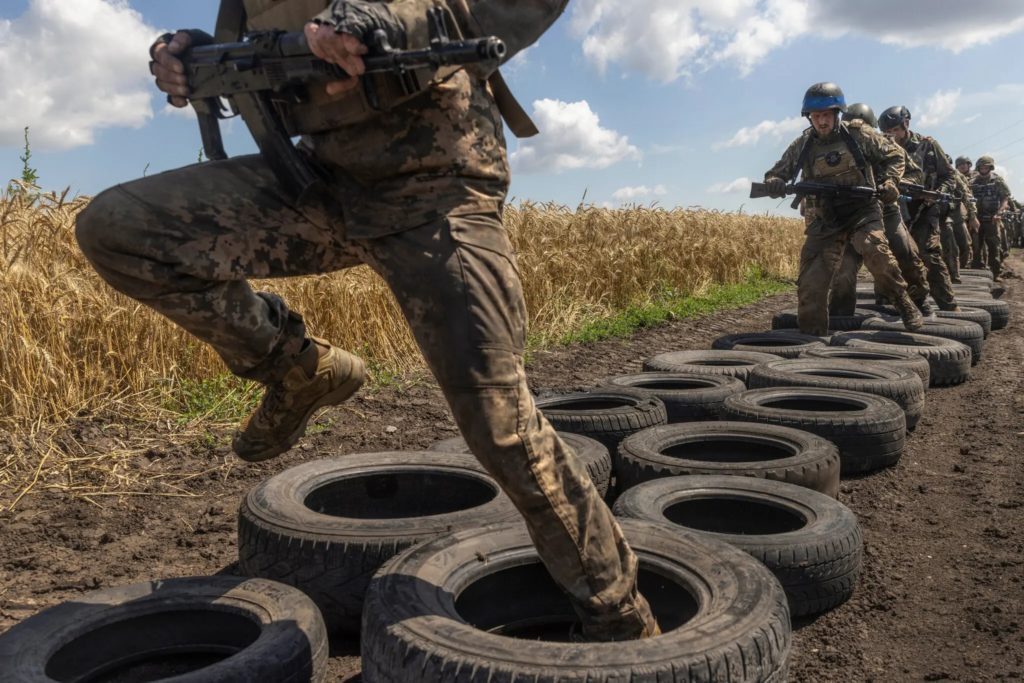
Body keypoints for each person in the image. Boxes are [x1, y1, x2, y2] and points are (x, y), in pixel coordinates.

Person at [74, 0, 658, 642]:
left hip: (434, 184)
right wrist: (193, 59)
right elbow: (258, 54)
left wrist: (374, 20)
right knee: (120, 228)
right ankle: (297, 368)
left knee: (500, 423)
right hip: (318, 182)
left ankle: (619, 615)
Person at [763, 83, 923, 335]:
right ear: (809, 117)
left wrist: (890, 182)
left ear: (837, 113)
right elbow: (778, 171)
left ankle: (903, 302)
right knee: (810, 285)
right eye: (816, 116)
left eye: (826, 115)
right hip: (825, 218)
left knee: (877, 253)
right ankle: (809, 341)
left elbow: (895, 155)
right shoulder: (803, 144)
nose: (822, 121)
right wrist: (774, 182)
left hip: (862, 211)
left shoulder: (859, 134)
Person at [829, 102, 931, 316]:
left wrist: (892, 183)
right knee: (843, 268)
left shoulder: (882, 143)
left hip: (887, 211)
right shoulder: (836, 147)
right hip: (854, 216)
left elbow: (915, 173)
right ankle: (840, 315)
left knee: (906, 254)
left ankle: (920, 301)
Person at [878, 106, 960, 311]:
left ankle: (948, 305)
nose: (892, 136)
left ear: (906, 125)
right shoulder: (881, 148)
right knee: (893, 254)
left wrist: (937, 194)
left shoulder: (928, 145)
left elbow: (949, 176)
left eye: (895, 130)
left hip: (925, 207)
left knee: (928, 253)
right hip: (896, 207)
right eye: (887, 132)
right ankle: (890, 302)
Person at [970, 155, 1012, 280]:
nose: (983, 168)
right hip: (976, 219)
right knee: (976, 246)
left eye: (986, 166)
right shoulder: (972, 182)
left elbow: (1005, 198)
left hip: (992, 219)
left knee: (994, 246)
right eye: (981, 166)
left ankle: (996, 272)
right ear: (978, 167)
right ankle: (976, 271)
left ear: (990, 167)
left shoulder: (997, 181)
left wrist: (999, 213)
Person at [952, 156, 978, 270]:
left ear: (969, 164)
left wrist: (973, 215)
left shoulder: (977, 177)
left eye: (964, 163)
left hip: (970, 210)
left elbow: (967, 195)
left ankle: (972, 265)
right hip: (957, 212)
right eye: (960, 164)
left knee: (971, 241)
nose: (962, 166)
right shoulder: (952, 175)